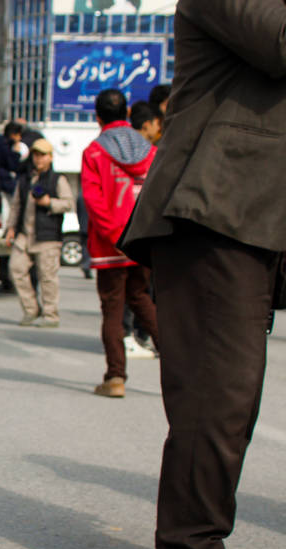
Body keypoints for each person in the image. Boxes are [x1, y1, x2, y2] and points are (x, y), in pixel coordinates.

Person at [119, 0, 286, 549]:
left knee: (234, 394)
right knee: (219, 392)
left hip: (253, 212)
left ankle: (196, 543)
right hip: (213, 207)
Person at [80, 89, 159, 398]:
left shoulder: (95, 152)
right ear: (127, 114)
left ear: (97, 117)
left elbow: (93, 200)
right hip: (141, 241)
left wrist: (116, 235)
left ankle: (115, 377)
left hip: (110, 245)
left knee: (113, 308)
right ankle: (182, 370)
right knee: (142, 300)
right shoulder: (150, 151)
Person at [4, 138, 73, 327]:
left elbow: (68, 203)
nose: (39, 159)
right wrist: (10, 228)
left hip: (47, 236)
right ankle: (31, 309)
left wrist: (49, 203)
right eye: (36, 155)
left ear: (50, 157)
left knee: (47, 277)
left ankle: (51, 315)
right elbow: (16, 205)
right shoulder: (25, 179)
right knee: (16, 269)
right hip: (25, 235)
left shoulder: (58, 179)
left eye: (43, 155)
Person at [0, 120, 25, 294]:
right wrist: (17, 154)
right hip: (4, 195)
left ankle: (4, 277)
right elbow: (14, 166)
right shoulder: (6, 148)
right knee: (7, 236)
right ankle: (6, 278)